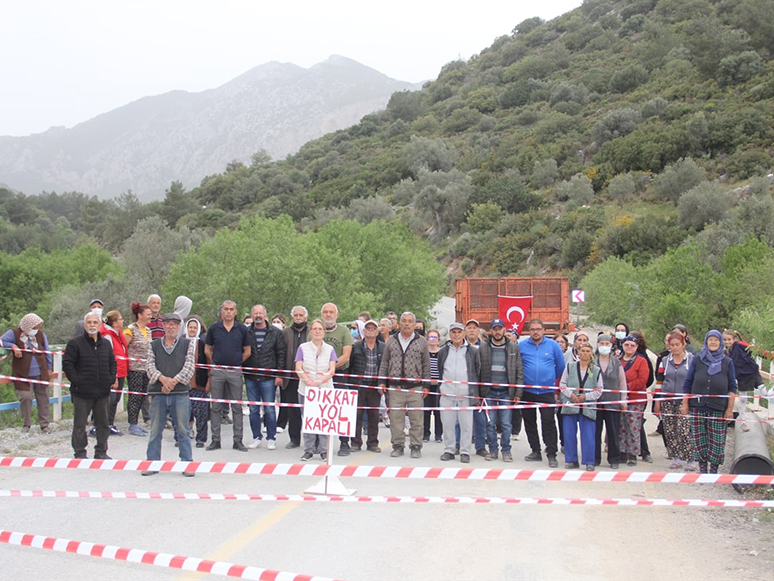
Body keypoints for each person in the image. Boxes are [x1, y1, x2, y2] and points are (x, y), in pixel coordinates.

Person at [141, 313, 197, 476]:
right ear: (163, 326)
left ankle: (187, 464)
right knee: (155, 430)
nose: (171, 326)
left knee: (183, 429)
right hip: (158, 393)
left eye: (174, 324)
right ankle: (152, 463)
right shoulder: (154, 345)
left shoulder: (187, 344)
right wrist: (163, 379)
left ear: (179, 327)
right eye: (167, 323)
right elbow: (149, 367)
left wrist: (172, 382)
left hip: (180, 394)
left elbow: (189, 368)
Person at [681, 330, 737, 474]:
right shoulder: (698, 359)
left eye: (716, 340)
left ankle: (713, 470)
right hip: (697, 406)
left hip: (718, 407)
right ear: (706, 342)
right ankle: (703, 470)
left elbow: (732, 387)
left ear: (720, 343)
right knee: (699, 440)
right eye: (710, 340)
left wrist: (730, 409)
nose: (713, 342)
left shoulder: (727, 362)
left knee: (717, 441)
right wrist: (685, 403)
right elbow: (688, 382)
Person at [62, 310, 116, 459]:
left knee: (103, 425)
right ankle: (80, 453)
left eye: (95, 322)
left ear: (100, 324)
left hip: (102, 392)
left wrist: (110, 378)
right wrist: (78, 381)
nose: (92, 325)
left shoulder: (105, 343)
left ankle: (101, 452)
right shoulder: (75, 343)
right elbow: (67, 365)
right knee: (80, 426)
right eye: (89, 322)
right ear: (84, 325)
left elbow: (112, 362)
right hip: (82, 393)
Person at [378, 312, 431, 459]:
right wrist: (381, 381)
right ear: (399, 324)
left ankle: (416, 446)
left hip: (416, 388)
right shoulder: (391, 341)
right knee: (396, 419)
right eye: (404, 321)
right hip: (395, 388)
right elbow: (384, 362)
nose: (407, 324)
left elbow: (426, 365)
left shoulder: (422, 342)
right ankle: (398, 446)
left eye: (410, 321)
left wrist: (426, 385)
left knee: (417, 420)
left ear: (414, 325)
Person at [205, 300, 251, 452]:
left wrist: (237, 363)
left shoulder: (242, 329)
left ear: (235, 312)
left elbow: (247, 351)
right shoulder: (214, 328)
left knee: (236, 406)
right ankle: (215, 440)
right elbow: (207, 349)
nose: (229, 312)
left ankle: (238, 441)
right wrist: (215, 364)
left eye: (231, 309)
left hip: (235, 371)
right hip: (217, 371)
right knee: (216, 406)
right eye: (226, 309)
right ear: (222, 311)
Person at [518, 319, 565, 468]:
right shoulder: (522, 346)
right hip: (527, 391)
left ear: (543, 330)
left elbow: (561, 366)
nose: (535, 332)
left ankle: (551, 453)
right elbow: (518, 366)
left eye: (538, 329)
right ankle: (535, 451)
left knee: (548, 422)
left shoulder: (553, 346)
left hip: (546, 391)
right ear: (528, 331)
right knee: (529, 422)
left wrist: (549, 380)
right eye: (532, 329)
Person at [479, 318, 523, 462]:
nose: (497, 332)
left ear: (505, 330)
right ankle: (493, 450)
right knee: (490, 423)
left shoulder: (513, 348)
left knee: (506, 424)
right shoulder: (483, 347)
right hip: (489, 391)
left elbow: (519, 371)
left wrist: (518, 393)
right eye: (495, 329)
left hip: (506, 392)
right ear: (491, 331)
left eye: (500, 328)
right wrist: (479, 392)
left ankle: (506, 450)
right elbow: (478, 371)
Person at [243, 304, 286, 450]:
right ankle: (256, 437)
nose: (258, 315)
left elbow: (281, 354)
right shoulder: (246, 332)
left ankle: (271, 437)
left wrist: (279, 374)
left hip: (268, 376)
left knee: (269, 409)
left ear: (265, 315)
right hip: (250, 377)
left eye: (260, 313)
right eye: (255, 313)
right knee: (254, 409)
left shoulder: (275, 332)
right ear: (251, 315)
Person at [437, 322, 481, 463]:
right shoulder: (443, 351)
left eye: (459, 332)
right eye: (454, 332)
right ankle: (449, 450)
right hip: (447, 394)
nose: (456, 335)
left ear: (464, 333)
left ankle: (465, 452)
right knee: (448, 424)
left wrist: (475, 392)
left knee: (466, 425)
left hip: (465, 394)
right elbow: (440, 369)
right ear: (450, 334)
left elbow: (477, 370)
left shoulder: (472, 351)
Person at [2, 313, 53, 433]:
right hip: (22, 374)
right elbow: (1, 341)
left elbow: (47, 351)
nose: (36, 330)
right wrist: (13, 346)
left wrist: (49, 367)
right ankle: (26, 425)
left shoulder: (40, 335)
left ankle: (44, 425)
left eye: (38, 327)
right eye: (34, 327)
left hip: (41, 372)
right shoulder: (14, 333)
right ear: (27, 325)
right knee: (26, 398)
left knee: (43, 398)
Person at [295, 319, 338, 461]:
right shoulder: (303, 347)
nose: (317, 331)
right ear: (311, 331)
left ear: (324, 332)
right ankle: (308, 450)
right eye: (315, 329)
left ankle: (324, 451)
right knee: (308, 420)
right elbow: (298, 368)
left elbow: (331, 370)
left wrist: (319, 381)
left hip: (325, 389)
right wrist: (308, 381)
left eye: (320, 329)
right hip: (305, 389)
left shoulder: (330, 349)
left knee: (323, 421)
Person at [656, 332, 697, 471]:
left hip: (684, 399)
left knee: (684, 430)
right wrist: (658, 402)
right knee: (670, 430)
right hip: (667, 399)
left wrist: (687, 400)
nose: (675, 347)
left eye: (677, 344)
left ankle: (691, 458)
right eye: (672, 345)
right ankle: (676, 458)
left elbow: (693, 381)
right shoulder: (665, 361)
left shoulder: (691, 360)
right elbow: (659, 382)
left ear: (683, 344)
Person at [559, 343, 603, 471]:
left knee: (588, 435)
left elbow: (599, 390)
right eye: (582, 350)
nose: (584, 353)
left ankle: (589, 461)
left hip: (588, 406)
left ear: (591, 354)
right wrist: (571, 395)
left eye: (587, 351)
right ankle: (571, 460)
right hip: (570, 405)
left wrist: (586, 397)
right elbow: (562, 384)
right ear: (578, 352)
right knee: (569, 433)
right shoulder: (569, 367)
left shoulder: (596, 370)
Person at [320, 303, 354, 457]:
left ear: (337, 314)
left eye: (331, 312)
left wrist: (329, 369)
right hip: (318, 376)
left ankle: (344, 442)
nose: (328, 315)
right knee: (319, 409)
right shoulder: (315, 330)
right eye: (325, 312)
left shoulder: (344, 331)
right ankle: (318, 444)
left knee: (342, 410)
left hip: (339, 374)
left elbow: (346, 356)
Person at [349, 319, 384, 452]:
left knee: (374, 415)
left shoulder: (382, 347)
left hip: (374, 386)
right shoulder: (356, 346)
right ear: (363, 331)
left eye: (373, 328)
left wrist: (382, 383)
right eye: (368, 328)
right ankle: (356, 442)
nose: (370, 330)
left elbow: (384, 366)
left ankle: (372, 443)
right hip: (359, 385)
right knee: (356, 414)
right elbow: (351, 365)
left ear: (377, 331)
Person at [594, 333, 627, 469]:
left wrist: (623, 401)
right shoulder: (592, 361)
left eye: (607, 344)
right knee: (595, 432)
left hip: (613, 403)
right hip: (595, 403)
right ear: (598, 345)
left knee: (613, 432)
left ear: (611, 346)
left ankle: (614, 458)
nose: (604, 346)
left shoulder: (616, 362)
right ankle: (594, 458)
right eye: (602, 344)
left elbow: (622, 383)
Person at [723, 329, 764, 432]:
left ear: (734, 339)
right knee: (742, 399)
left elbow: (754, 350)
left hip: (752, 372)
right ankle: (743, 422)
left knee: (763, 391)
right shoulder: (728, 352)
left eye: (729, 339)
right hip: (741, 377)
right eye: (725, 340)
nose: (727, 342)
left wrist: (766, 355)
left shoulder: (740, 344)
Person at [279, 306, 308, 448]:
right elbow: (280, 354)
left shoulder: (312, 332)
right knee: (293, 410)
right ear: (291, 318)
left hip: (309, 378)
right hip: (290, 377)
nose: (298, 317)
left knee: (309, 410)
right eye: (295, 315)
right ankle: (295, 439)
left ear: (305, 317)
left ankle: (312, 441)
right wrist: (280, 374)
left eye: (301, 315)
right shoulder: (285, 333)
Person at [619, 335, 650, 466]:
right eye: (627, 345)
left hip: (636, 399)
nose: (629, 347)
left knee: (633, 426)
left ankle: (633, 454)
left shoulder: (641, 361)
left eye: (632, 345)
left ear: (637, 347)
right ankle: (622, 452)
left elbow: (643, 379)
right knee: (621, 426)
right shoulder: (617, 360)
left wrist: (627, 387)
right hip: (620, 399)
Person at [124, 302, 153, 436]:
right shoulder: (130, 329)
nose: (150, 317)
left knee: (142, 396)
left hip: (146, 369)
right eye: (148, 315)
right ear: (139, 315)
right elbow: (124, 346)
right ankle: (132, 423)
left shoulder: (148, 330)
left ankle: (136, 422)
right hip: (134, 368)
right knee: (134, 396)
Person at [100, 310, 128, 436]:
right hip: (114, 372)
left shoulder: (117, 334)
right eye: (120, 319)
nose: (122, 321)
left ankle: (110, 423)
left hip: (121, 370)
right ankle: (104, 424)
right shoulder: (108, 336)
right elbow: (109, 356)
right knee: (110, 400)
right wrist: (114, 376)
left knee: (115, 399)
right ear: (115, 322)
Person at [186, 316, 210, 448]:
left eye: (195, 328)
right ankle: (181, 437)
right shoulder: (181, 343)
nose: (192, 330)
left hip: (199, 383)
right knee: (182, 413)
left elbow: (209, 364)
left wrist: (209, 381)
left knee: (201, 413)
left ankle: (201, 438)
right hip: (183, 385)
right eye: (190, 327)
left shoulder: (202, 344)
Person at [423, 328, 443, 444]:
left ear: (439, 340)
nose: (433, 339)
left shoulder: (442, 352)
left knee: (438, 411)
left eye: (435, 337)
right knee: (426, 410)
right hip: (427, 385)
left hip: (438, 386)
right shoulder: (424, 353)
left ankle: (438, 434)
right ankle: (426, 433)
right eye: (431, 337)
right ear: (427, 339)